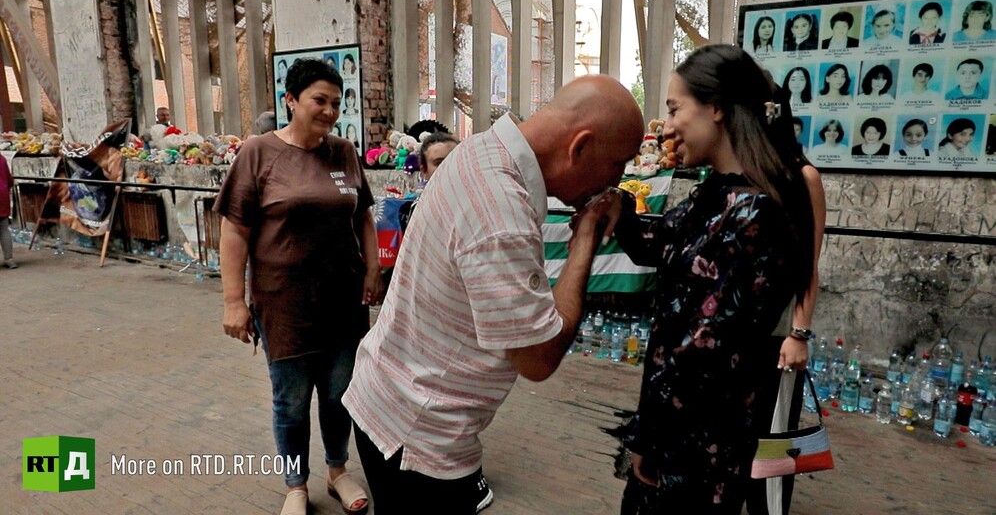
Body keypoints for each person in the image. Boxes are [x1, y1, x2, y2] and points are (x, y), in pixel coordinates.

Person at [342, 75, 644, 515]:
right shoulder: (500, 210)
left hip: (389, 403)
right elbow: (538, 357)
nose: (616, 181)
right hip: (417, 438)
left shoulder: (483, 150)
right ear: (579, 147)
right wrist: (586, 237)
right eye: (618, 165)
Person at [585, 44, 813, 513]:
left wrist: (647, 436)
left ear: (716, 108)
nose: (666, 126)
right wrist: (620, 211)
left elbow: (701, 346)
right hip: (681, 430)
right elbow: (665, 242)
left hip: (701, 440)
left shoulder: (758, 212)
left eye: (674, 109)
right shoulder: (715, 192)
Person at [214, 58, 381, 515]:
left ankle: (338, 471)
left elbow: (363, 214)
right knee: (289, 399)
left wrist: (372, 269)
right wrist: (233, 301)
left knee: (338, 393)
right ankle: (294, 484)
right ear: (291, 100)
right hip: (283, 302)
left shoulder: (344, 152)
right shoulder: (259, 152)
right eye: (318, 100)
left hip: (343, 301)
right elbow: (234, 231)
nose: (329, 110)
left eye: (335, 101)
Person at [746, 81, 827, 515]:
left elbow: (808, 266)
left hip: (779, 339)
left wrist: (799, 332)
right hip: (733, 336)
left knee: (773, 449)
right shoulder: (738, 175)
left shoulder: (803, 177)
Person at [0, 152, 16, 269]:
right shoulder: (2, 159)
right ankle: (9, 259)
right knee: (4, 229)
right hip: (2, 197)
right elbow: (10, 180)